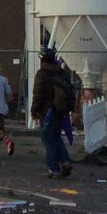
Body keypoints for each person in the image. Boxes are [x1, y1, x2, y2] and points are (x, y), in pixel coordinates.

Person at [31, 46, 74, 178]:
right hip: (60, 111)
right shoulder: (62, 73)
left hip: (47, 111)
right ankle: (65, 161)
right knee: (56, 137)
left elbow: (38, 94)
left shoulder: (42, 73)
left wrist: (34, 110)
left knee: (48, 140)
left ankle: (53, 169)